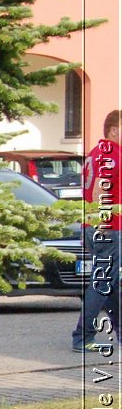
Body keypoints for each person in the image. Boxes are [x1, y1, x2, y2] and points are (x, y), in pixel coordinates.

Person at [73, 109, 122, 352]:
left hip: (93, 227)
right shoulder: (112, 154)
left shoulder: (95, 154)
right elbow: (97, 193)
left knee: (111, 283)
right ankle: (82, 336)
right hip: (108, 228)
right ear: (114, 130)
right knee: (102, 283)